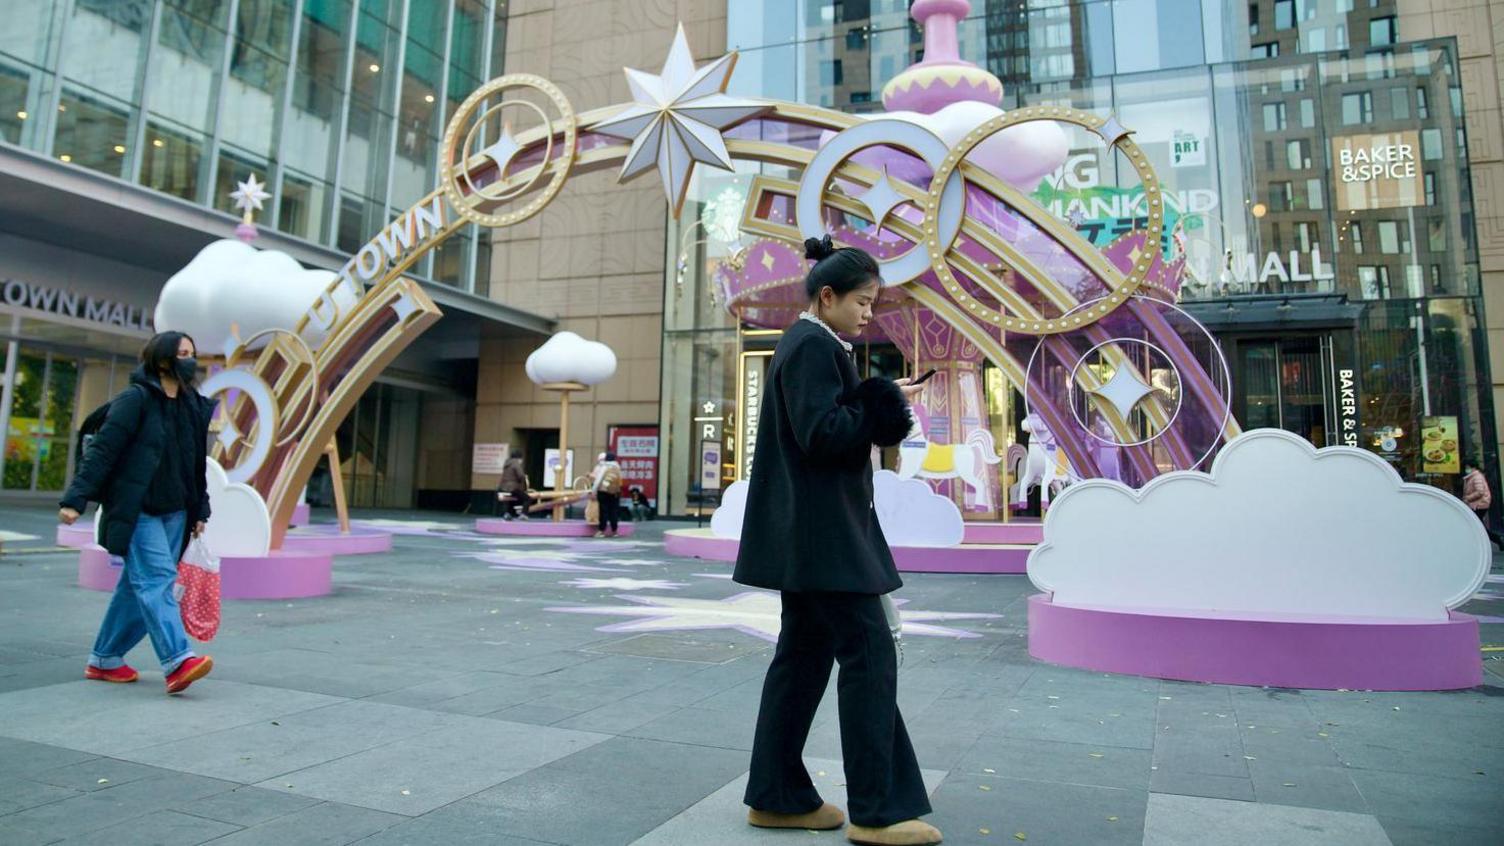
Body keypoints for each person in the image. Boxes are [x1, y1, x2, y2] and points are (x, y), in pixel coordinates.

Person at [733, 236, 939, 846]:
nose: (869, 313)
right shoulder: (812, 346)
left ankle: (777, 796)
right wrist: (881, 404)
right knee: (869, 656)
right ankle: (878, 811)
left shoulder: (812, 344)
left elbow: (821, 427)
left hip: (811, 538)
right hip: (825, 541)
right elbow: (822, 433)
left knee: (801, 662)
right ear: (827, 296)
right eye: (863, 302)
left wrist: (880, 399)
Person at [59, 331, 216, 695]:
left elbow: (196, 465)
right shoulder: (136, 400)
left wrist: (200, 509)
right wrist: (75, 498)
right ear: (162, 360)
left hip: (176, 511)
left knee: (136, 587)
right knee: (158, 579)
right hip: (138, 508)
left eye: (192, 353)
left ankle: (105, 659)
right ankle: (178, 660)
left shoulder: (192, 405)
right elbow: (104, 451)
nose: (189, 360)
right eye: (182, 353)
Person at [1462, 460, 1502, 550]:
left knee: (1479, 526)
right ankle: (1497, 541)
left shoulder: (1476, 477)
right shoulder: (1473, 476)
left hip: (1479, 505)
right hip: (1477, 504)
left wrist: (1468, 498)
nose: (1466, 469)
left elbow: (1480, 491)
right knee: (1478, 525)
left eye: (1467, 467)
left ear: (1473, 467)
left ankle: (1498, 540)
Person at [593, 451, 624, 538]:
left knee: (603, 511)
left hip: (603, 491)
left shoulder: (604, 467)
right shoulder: (617, 467)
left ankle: (601, 531)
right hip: (615, 492)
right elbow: (620, 480)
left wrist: (593, 491)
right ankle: (614, 531)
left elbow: (598, 480)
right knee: (614, 511)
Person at [498, 450, 531, 520]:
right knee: (527, 499)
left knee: (512, 499)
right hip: (512, 487)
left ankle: (507, 514)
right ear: (519, 458)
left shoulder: (507, 464)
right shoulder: (515, 463)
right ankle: (523, 514)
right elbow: (521, 475)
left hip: (503, 488)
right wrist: (521, 481)